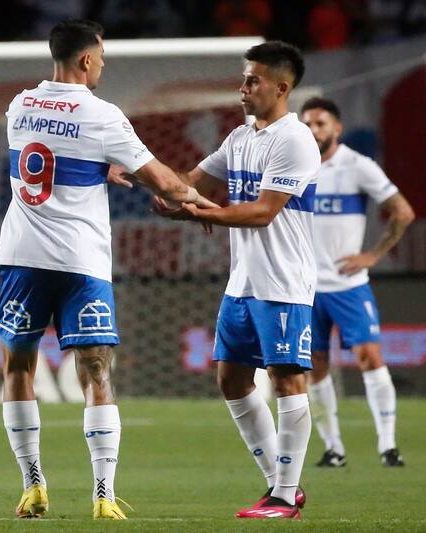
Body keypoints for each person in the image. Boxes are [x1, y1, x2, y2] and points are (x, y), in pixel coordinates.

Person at [0, 19, 218, 520]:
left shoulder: (20, 105)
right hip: (81, 263)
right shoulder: (102, 115)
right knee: (96, 371)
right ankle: (103, 495)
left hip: (22, 259)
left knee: (18, 367)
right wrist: (203, 204)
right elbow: (165, 183)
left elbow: (51, 155)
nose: (103, 66)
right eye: (102, 58)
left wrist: (101, 165)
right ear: (86, 59)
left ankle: (33, 486)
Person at [153, 41, 319, 519]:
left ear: (281, 88)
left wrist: (204, 213)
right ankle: (279, 485)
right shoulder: (240, 137)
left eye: (253, 80)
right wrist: (149, 178)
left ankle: (284, 495)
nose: (242, 88)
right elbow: (190, 182)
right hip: (242, 282)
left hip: (283, 281)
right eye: (244, 79)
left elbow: (263, 212)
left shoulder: (294, 140)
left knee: (287, 379)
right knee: (231, 378)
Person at [301, 97, 414, 468]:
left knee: (370, 357)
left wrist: (373, 255)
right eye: (307, 124)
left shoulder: (357, 166)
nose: (313, 130)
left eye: (320, 123)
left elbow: (403, 212)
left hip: (348, 285)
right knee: (315, 365)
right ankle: (333, 449)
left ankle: (388, 446)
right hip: (305, 287)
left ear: (337, 128)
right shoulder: (295, 166)